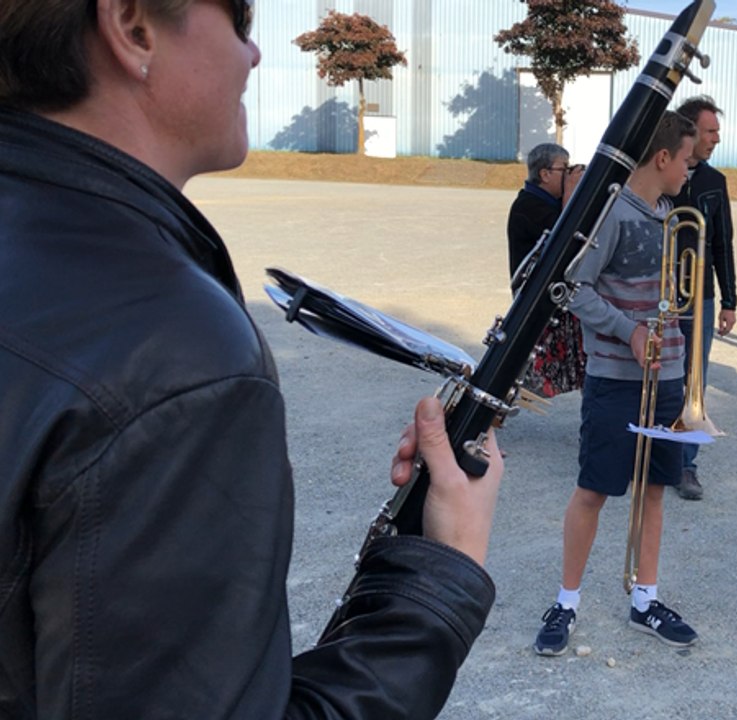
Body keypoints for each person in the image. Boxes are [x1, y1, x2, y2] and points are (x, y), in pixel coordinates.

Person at [0, 1, 502, 717]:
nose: (254, 54)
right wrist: (437, 577)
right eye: (239, 20)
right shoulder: (171, 348)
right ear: (133, 27)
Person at [533, 111, 700, 656]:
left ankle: (645, 599)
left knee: (654, 490)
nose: (689, 170)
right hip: (615, 377)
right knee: (594, 490)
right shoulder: (612, 214)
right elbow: (572, 288)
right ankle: (566, 601)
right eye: (686, 160)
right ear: (662, 157)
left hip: (667, 375)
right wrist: (629, 331)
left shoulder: (670, 214)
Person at [670, 95, 737, 500]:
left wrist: (729, 300)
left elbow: (722, 244)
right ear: (690, 131)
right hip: (659, 293)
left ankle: (686, 464)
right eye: (710, 131)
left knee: (694, 379)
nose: (716, 138)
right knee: (652, 375)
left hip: (701, 297)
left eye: (716, 131)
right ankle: (648, 454)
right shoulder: (659, 171)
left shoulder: (715, 181)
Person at [506, 143, 587, 398]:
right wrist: (572, 193)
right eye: (564, 169)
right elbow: (564, 237)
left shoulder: (548, 202)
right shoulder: (527, 206)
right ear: (545, 174)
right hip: (537, 303)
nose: (569, 174)